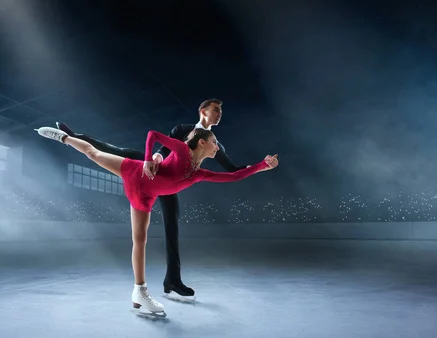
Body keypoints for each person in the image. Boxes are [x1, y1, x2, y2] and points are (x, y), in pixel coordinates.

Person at [35, 125, 278, 316]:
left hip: (145, 196)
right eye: (215, 143)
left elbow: (234, 176)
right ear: (202, 142)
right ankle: (62, 137)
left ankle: (139, 292)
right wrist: (150, 158)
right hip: (134, 171)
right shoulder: (183, 150)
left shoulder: (200, 173)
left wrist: (261, 166)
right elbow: (154, 134)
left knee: (139, 241)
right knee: (93, 153)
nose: (218, 148)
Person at [54, 99, 250, 300]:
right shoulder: (182, 129)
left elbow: (233, 170)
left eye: (220, 111)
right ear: (203, 111)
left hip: (169, 185)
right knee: (119, 152)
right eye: (216, 110)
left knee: (172, 226)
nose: (219, 114)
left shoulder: (214, 145)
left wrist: (260, 165)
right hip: (153, 170)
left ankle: (172, 280)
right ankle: (73, 137)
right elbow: (162, 147)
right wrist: (155, 157)